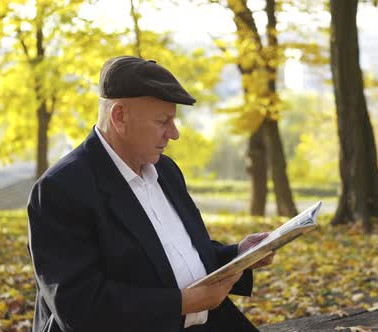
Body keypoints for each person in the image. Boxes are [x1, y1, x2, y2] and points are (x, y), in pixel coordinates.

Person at [28, 55, 274, 332]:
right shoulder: (61, 189)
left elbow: (176, 255)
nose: (174, 133)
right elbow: (78, 306)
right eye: (163, 121)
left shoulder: (166, 170)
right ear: (119, 116)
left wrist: (238, 255)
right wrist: (180, 303)